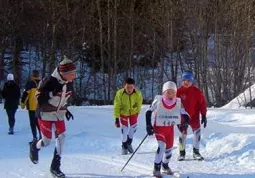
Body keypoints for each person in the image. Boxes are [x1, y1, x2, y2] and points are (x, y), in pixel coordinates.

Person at [29, 56, 75, 178]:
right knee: (46, 141)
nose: (73, 76)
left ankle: (55, 166)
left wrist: (66, 109)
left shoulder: (69, 83)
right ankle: (35, 146)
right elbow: (38, 98)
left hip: (59, 114)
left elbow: (64, 98)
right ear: (64, 73)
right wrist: (51, 93)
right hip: (45, 114)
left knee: (62, 138)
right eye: (71, 73)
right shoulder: (49, 81)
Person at [145, 81, 189, 177]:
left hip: (169, 130)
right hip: (159, 128)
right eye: (168, 92)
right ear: (164, 92)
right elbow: (148, 111)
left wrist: (185, 122)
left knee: (169, 151)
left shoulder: (177, 102)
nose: (171, 95)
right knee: (161, 146)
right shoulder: (158, 101)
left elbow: (185, 114)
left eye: (173, 92)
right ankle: (156, 168)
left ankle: (165, 165)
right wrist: (148, 125)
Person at [177, 71, 207, 161]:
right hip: (182, 117)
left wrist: (204, 115)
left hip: (194, 116)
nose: (186, 82)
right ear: (182, 81)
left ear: (192, 81)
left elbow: (202, 104)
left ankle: (196, 152)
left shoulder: (197, 92)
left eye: (188, 80)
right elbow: (172, 103)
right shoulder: (178, 91)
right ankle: (182, 153)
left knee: (197, 133)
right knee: (182, 134)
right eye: (184, 80)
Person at [113, 78, 143, 155]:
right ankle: (124, 146)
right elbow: (117, 106)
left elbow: (139, 104)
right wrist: (116, 118)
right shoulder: (120, 93)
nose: (129, 89)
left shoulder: (138, 93)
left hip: (133, 112)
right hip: (123, 113)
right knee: (125, 130)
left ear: (134, 87)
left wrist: (137, 112)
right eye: (127, 87)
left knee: (132, 129)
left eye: (131, 87)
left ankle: (129, 143)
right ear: (124, 86)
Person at [20, 70, 41, 141]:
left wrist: (22, 104)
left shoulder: (30, 83)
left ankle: (35, 138)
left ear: (32, 75)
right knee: (39, 122)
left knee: (33, 123)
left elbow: (26, 94)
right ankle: (42, 137)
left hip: (32, 106)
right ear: (38, 75)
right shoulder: (41, 83)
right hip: (40, 107)